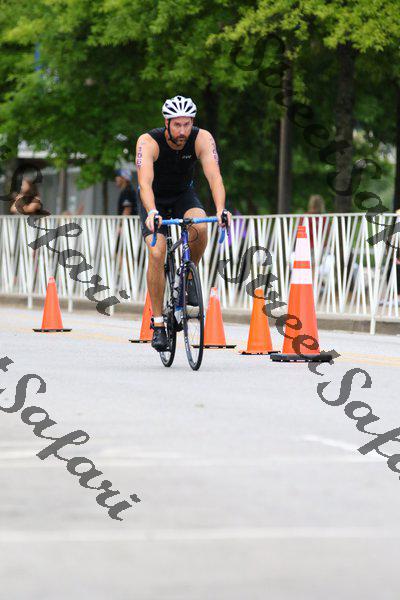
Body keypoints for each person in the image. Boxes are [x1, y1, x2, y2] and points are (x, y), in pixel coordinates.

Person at [135, 94, 231, 352]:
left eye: (187, 124)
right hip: (153, 200)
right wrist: (152, 211)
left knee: (200, 226)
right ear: (166, 123)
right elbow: (144, 182)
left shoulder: (202, 138)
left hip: (182, 195)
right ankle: (157, 323)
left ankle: (187, 277)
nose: (182, 131)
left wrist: (221, 209)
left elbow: (215, 177)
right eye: (177, 124)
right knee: (157, 252)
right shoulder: (148, 142)